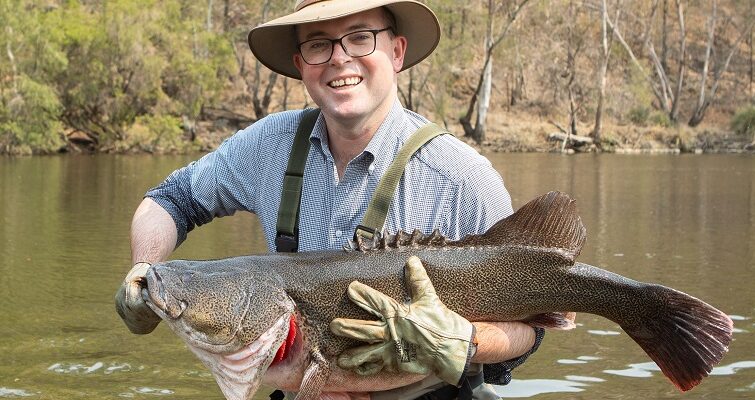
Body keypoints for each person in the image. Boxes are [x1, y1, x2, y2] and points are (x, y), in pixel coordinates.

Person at [116, 0, 544, 398]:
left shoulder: (465, 179)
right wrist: (143, 269)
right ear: (302, 65)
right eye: (319, 44)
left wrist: (465, 342)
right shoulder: (267, 145)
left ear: (396, 51)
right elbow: (171, 200)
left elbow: (531, 330)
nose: (340, 57)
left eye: (360, 37)